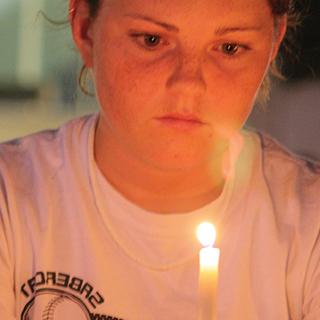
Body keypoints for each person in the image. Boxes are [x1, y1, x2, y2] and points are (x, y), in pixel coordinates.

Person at [0, 0, 319, 319]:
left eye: (229, 47)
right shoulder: (12, 202)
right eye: (151, 40)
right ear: (85, 29)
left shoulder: (308, 227)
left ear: (273, 43)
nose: (189, 83)